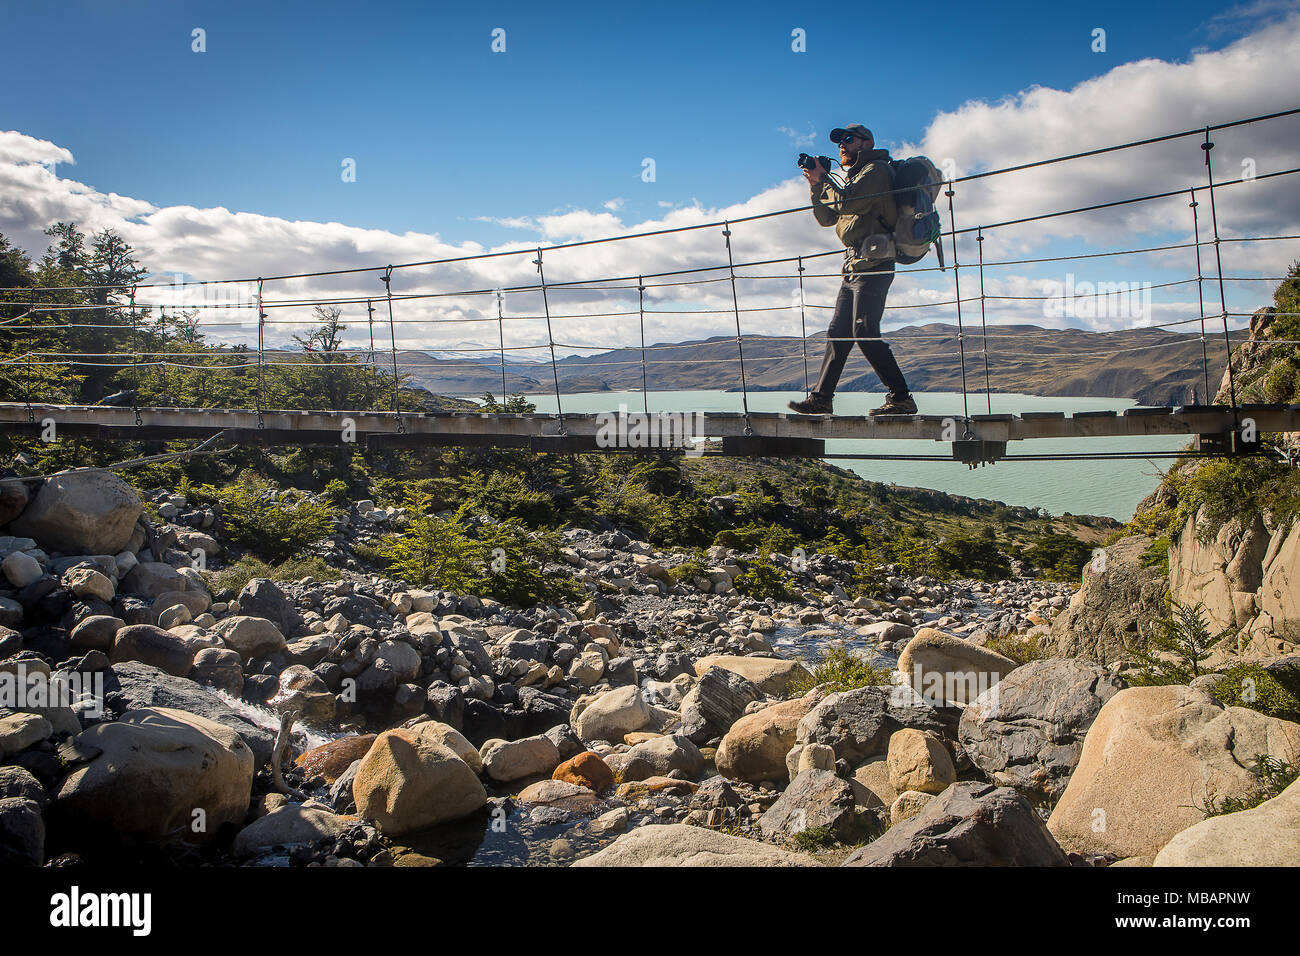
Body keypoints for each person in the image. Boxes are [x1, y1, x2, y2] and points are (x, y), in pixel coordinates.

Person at [788, 124, 917, 416]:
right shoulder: (855, 177)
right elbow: (826, 218)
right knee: (838, 332)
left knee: (864, 330)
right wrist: (816, 186)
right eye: (839, 142)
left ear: (867, 143)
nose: (842, 146)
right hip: (853, 267)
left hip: (875, 263)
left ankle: (901, 398)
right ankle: (821, 398)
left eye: (848, 140)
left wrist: (825, 181)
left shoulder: (876, 171)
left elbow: (847, 203)